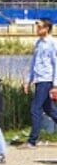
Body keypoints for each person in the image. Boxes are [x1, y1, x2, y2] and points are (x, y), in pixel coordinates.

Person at [25, 19, 57, 147]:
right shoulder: (38, 43)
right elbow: (34, 63)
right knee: (49, 109)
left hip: (47, 79)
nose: (37, 30)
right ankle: (33, 139)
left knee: (35, 108)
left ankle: (32, 140)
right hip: (39, 79)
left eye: (39, 27)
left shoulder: (53, 43)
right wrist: (29, 80)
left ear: (46, 29)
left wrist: (55, 84)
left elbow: (56, 64)